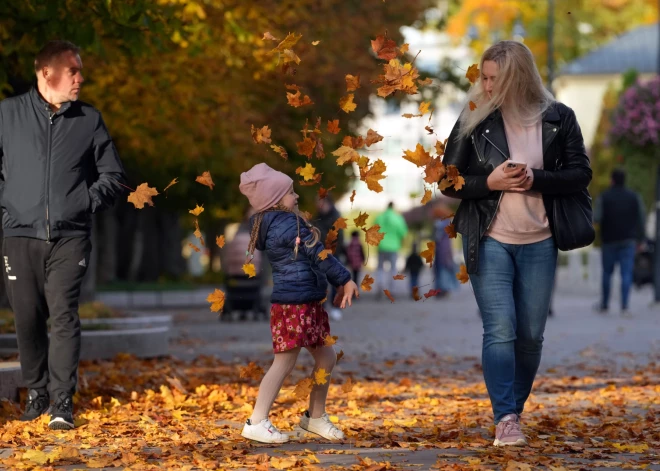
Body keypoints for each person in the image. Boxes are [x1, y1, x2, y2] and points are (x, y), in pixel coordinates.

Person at [441, 41, 591, 447]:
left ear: (518, 78)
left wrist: (536, 179)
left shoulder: (559, 118)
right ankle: (504, 417)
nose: (486, 87)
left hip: (540, 241)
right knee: (500, 330)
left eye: (495, 79)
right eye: (483, 77)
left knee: (530, 335)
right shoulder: (474, 117)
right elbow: (447, 180)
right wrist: (488, 182)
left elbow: (581, 174)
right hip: (489, 238)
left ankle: (512, 411)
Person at [0, 40, 126, 430]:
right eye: (73, 71)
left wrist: (83, 202)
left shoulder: (88, 119)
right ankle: (36, 394)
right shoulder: (7, 115)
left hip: (70, 236)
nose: (80, 78)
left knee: (64, 315)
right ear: (46, 73)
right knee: (27, 317)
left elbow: (114, 175)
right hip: (19, 235)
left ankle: (61, 402)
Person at [238, 163, 359, 444]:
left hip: (305, 301)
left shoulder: (276, 223)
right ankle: (256, 421)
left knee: (326, 357)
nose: (296, 197)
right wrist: (345, 279)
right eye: (290, 192)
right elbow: (319, 253)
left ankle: (314, 418)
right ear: (275, 200)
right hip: (294, 305)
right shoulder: (287, 224)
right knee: (284, 362)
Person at [594, 168, 645, 317]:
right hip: (628, 240)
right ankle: (624, 306)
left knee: (607, 273)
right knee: (626, 273)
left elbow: (596, 218)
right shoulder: (634, 197)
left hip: (609, 240)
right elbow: (641, 219)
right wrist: (641, 239)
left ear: (612, 180)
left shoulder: (604, 197)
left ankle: (604, 304)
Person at [315, 195, 345, 321]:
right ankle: (320, 308)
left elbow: (340, 238)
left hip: (333, 254)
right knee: (320, 281)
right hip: (319, 254)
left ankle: (336, 308)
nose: (318, 205)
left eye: (320, 203)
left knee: (335, 282)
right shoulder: (317, 217)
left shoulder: (336, 217)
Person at [374, 202, 408, 298]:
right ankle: (392, 289)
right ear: (393, 207)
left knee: (380, 268)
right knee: (393, 269)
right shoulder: (398, 218)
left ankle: (380, 287)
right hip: (394, 246)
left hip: (381, 246)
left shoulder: (379, 217)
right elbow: (403, 233)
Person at [432, 205, 458, 298]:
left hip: (441, 250)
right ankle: (444, 288)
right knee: (445, 269)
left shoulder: (439, 224)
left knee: (441, 269)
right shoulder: (448, 223)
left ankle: (441, 289)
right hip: (447, 249)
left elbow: (436, 237)